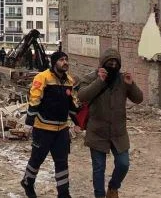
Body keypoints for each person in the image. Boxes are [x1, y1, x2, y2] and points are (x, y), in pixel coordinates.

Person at [77, 49, 143, 198]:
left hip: (119, 133)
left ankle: (113, 187)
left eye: (116, 63)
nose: (113, 65)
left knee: (123, 164)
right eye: (109, 62)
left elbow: (139, 99)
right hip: (97, 132)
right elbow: (82, 96)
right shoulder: (91, 78)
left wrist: (131, 85)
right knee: (99, 168)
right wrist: (99, 81)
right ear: (102, 63)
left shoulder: (122, 79)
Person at [21, 51, 79, 198]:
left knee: (62, 162)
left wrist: (78, 123)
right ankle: (28, 182)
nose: (65, 62)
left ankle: (64, 193)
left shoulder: (69, 81)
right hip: (43, 129)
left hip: (62, 130)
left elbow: (70, 105)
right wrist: (29, 123)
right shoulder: (42, 78)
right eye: (61, 60)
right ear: (54, 63)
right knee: (36, 160)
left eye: (66, 59)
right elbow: (35, 100)